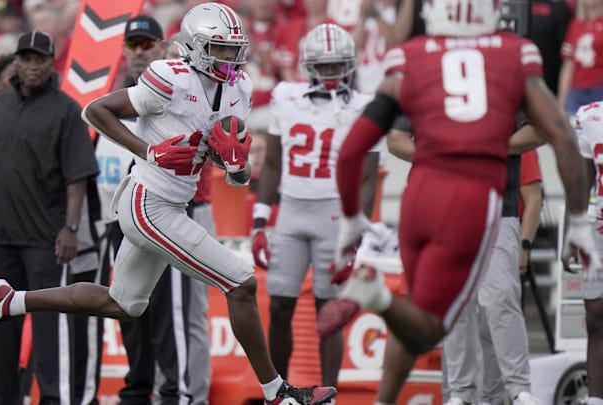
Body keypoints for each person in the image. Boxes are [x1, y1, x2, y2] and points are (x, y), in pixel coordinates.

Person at [0, 4, 337, 405]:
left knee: (122, 303)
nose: (230, 60)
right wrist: (150, 152)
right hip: (147, 204)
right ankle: (276, 394)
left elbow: (236, 175)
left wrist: (236, 164)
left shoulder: (238, 88)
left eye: (234, 50)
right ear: (195, 48)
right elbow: (96, 110)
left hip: (172, 205)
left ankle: (9, 300)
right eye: (220, 49)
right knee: (241, 283)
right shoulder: (170, 77)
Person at [314, 0, 601, 404]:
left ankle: (384, 388)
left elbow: (351, 152)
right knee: (439, 321)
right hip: (471, 198)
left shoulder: (409, 55)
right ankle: (377, 295)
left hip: (419, 200)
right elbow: (562, 138)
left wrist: (350, 218)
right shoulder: (512, 54)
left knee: (426, 314)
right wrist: (579, 221)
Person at [0, 31, 99, 405]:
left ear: (52, 62)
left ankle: (54, 399)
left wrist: (70, 229)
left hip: (45, 240)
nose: (33, 65)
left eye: (40, 59)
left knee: (49, 329)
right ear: (18, 63)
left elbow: (77, 176)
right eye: (27, 58)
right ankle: (4, 399)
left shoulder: (66, 109)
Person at [251, 23, 378, 390]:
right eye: (322, 66)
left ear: (350, 65)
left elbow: (369, 176)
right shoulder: (286, 97)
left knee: (329, 310)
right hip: (291, 209)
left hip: (335, 214)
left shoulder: (364, 105)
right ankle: (280, 393)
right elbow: (272, 163)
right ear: (308, 66)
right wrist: (261, 221)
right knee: (279, 307)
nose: (330, 74)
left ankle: (330, 394)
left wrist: (357, 226)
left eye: (337, 65)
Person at [387, 115, 543, 405]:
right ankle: (461, 392)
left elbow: (540, 130)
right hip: (441, 204)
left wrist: (487, 147)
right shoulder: (427, 80)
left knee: (500, 298)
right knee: (455, 306)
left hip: (496, 204)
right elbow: (395, 137)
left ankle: (518, 388)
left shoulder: (503, 80)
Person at [96, 15, 211, 405]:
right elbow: (95, 124)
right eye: (133, 45)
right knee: (130, 303)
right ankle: (139, 389)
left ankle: (184, 394)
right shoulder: (117, 97)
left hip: (180, 205)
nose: (140, 53)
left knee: (179, 313)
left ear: (165, 47)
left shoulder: (184, 85)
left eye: (148, 45)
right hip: (125, 208)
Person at [572, 100, 603, 405]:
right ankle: (596, 399)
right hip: (601, 225)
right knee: (595, 316)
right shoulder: (590, 114)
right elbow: (583, 181)